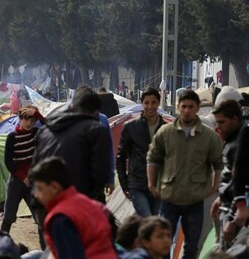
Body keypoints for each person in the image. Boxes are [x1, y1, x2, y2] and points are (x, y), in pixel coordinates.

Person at [147, 89, 224, 259]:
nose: (187, 110)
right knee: (163, 246)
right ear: (178, 107)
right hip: (169, 198)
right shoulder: (165, 133)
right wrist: (151, 183)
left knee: (192, 247)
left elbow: (218, 163)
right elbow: (153, 158)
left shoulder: (209, 137)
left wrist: (214, 186)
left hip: (195, 199)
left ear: (197, 108)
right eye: (184, 106)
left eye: (191, 106)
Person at [28, 156, 117, 258]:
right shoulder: (91, 204)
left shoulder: (60, 218)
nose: (35, 194)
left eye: (39, 188)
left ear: (54, 187)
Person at [116, 87, 168, 217]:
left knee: (156, 223)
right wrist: (124, 184)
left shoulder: (167, 129)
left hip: (160, 185)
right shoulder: (130, 127)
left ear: (158, 103)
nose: (150, 106)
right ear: (142, 104)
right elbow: (121, 157)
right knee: (148, 220)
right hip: (137, 185)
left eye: (154, 102)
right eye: (146, 103)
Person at [210, 100, 244, 248]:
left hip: (237, 215)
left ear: (235, 119)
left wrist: (232, 218)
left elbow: (243, 182)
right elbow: (232, 179)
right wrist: (221, 197)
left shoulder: (243, 141)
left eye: (222, 122)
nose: (218, 127)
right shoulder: (232, 140)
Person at [1, 105, 39, 233]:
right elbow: (8, 161)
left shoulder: (36, 134)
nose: (29, 123)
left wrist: (37, 114)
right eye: (26, 119)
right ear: (20, 119)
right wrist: (23, 177)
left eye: (32, 121)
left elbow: (50, 127)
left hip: (33, 180)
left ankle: (46, 250)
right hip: (17, 180)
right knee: (9, 216)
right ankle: (2, 244)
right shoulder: (12, 137)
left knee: (40, 217)